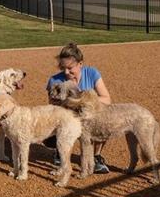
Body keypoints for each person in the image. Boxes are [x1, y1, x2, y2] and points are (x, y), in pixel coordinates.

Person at [46, 42, 112, 174]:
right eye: (63, 68)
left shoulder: (92, 73)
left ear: (80, 64)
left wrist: (81, 100)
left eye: (70, 68)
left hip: (88, 115)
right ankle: (62, 154)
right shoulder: (55, 80)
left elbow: (106, 99)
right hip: (68, 118)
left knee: (104, 119)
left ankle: (96, 156)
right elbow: (54, 107)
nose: (66, 72)